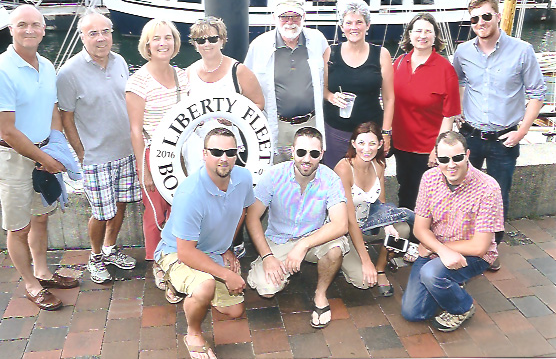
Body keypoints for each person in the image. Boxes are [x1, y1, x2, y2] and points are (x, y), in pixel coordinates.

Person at [0, 5, 79, 311]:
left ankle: (43, 272)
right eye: (22, 24)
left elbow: (52, 109)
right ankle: (31, 284)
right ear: (10, 29)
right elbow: (8, 130)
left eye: (36, 24)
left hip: (42, 152)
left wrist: (53, 147)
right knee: (19, 228)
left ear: (43, 29)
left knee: (40, 218)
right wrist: (45, 159)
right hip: (12, 158)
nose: (29, 30)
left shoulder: (46, 66)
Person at [453, 0, 546, 271]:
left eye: (485, 16)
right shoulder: (463, 52)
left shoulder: (522, 50)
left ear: (497, 17)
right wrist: (458, 110)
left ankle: (491, 249)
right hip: (470, 135)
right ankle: (464, 242)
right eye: (474, 19)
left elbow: (537, 93)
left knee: (498, 196)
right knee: (462, 192)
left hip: (505, 138)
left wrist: (522, 131)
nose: (480, 22)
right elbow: (457, 81)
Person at [154, 128, 255, 359]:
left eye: (230, 152)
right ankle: (193, 334)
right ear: (204, 154)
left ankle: (190, 288)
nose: (224, 158)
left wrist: (227, 247)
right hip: (176, 251)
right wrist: (225, 274)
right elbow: (185, 252)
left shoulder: (243, 178)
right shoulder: (190, 193)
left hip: (212, 250)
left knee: (234, 311)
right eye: (217, 152)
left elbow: (242, 211)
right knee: (205, 286)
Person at [57, 10, 141, 284]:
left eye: (105, 31)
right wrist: (81, 153)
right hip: (96, 157)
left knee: (120, 205)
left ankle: (110, 248)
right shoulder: (68, 73)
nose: (101, 38)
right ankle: (95, 257)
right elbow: (66, 117)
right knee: (101, 213)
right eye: (93, 33)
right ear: (82, 37)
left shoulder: (120, 62)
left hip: (126, 151)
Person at [246, 127, 348, 329]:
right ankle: (282, 269)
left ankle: (320, 294)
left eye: (314, 153)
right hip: (279, 239)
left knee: (335, 250)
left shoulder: (331, 179)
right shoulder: (274, 175)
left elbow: (341, 224)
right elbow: (252, 217)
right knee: (267, 289)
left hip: (313, 238)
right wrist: (267, 257)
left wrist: (303, 245)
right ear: (292, 151)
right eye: (301, 152)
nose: (307, 159)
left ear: (322, 154)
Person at [401, 131, 504, 332]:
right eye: (444, 159)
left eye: (457, 158)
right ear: (436, 158)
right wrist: (440, 250)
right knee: (413, 313)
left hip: (472, 254)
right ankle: (449, 282)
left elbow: (480, 247)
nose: (451, 165)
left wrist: (437, 248)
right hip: (436, 247)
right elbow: (420, 228)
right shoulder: (429, 178)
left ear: (467, 155)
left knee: (431, 274)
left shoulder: (488, 188)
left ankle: (462, 307)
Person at [185, 16, 264, 259]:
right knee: (204, 198)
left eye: (212, 38)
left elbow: (259, 104)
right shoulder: (189, 73)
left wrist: (235, 118)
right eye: (200, 40)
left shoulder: (238, 71)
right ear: (194, 44)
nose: (207, 44)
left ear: (222, 40)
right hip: (200, 148)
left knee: (231, 197)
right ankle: (206, 243)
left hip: (232, 147)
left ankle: (233, 243)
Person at [126, 18, 189, 287]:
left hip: (182, 155)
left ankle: (180, 257)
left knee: (181, 209)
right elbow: (135, 131)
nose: (163, 43)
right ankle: (157, 263)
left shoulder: (183, 76)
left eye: (168, 37)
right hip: (153, 155)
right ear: (147, 44)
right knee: (155, 213)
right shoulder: (138, 82)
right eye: (157, 38)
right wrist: (145, 171)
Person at [244, 0, 330, 163]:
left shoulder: (317, 39)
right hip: (277, 127)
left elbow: (329, 72)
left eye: (295, 16)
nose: (290, 22)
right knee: (278, 171)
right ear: (274, 18)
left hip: (311, 124)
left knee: (309, 169)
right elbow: (246, 84)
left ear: (303, 17)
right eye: (284, 17)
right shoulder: (259, 45)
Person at [335, 122, 414, 297]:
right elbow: (350, 220)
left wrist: (387, 224)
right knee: (364, 282)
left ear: (380, 144)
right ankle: (341, 259)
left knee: (402, 229)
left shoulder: (378, 165)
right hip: (345, 230)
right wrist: (365, 261)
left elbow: (381, 201)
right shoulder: (344, 168)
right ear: (353, 143)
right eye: (361, 143)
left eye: (372, 143)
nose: (366, 149)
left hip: (368, 223)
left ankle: (380, 268)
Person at [392, 13, 461, 210]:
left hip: (427, 149)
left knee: (427, 197)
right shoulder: (399, 63)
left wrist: (438, 149)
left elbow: (448, 115)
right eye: (418, 31)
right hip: (401, 146)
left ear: (435, 36)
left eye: (428, 31)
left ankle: (423, 229)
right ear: (409, 34)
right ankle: (407, 227)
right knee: (405, 191)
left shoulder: (445, 69)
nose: (422, 36)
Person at [323, 0, 394, 168]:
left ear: (367, 25)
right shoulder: (330, 53)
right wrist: (331, 97)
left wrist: (386, 132)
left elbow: (389, 98)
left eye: (359, 22)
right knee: (336, 178)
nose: (353, 27)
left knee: (369, 179)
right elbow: (322, 89)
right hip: (336, 132)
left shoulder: (381, 54)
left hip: (370, 134)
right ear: (342, 27)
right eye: (348, 23)